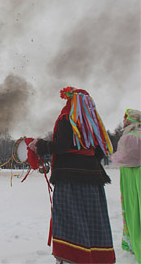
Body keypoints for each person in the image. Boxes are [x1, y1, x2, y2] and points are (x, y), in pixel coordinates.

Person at [29, 87, 115, 264]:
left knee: (70, 218)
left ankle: (73, 257)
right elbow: (99, 151)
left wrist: (41, 146)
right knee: (93, 219)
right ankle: (96, 256)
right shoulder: (93, 123)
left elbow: (61, 145)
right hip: (93, 179)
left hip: (69, 180)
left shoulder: (66, 119)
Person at [110, 108, 141, 263]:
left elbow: (124, 159)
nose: (124, 122)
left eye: (126, 119)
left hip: (133, 179)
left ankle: (137, 244)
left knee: (134, 209)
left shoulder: (130, 137)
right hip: (133, 176)